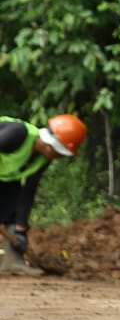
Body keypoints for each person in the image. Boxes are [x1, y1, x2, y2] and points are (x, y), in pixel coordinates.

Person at [0, 113, 87, 276]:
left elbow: (28, 191)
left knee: (12, 212)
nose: (60, 157)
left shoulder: (43, 159)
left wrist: (20, 229)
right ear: (50, 145)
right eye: (60, 152)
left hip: (5, 176)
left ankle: (13, 262)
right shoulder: (17, 134)